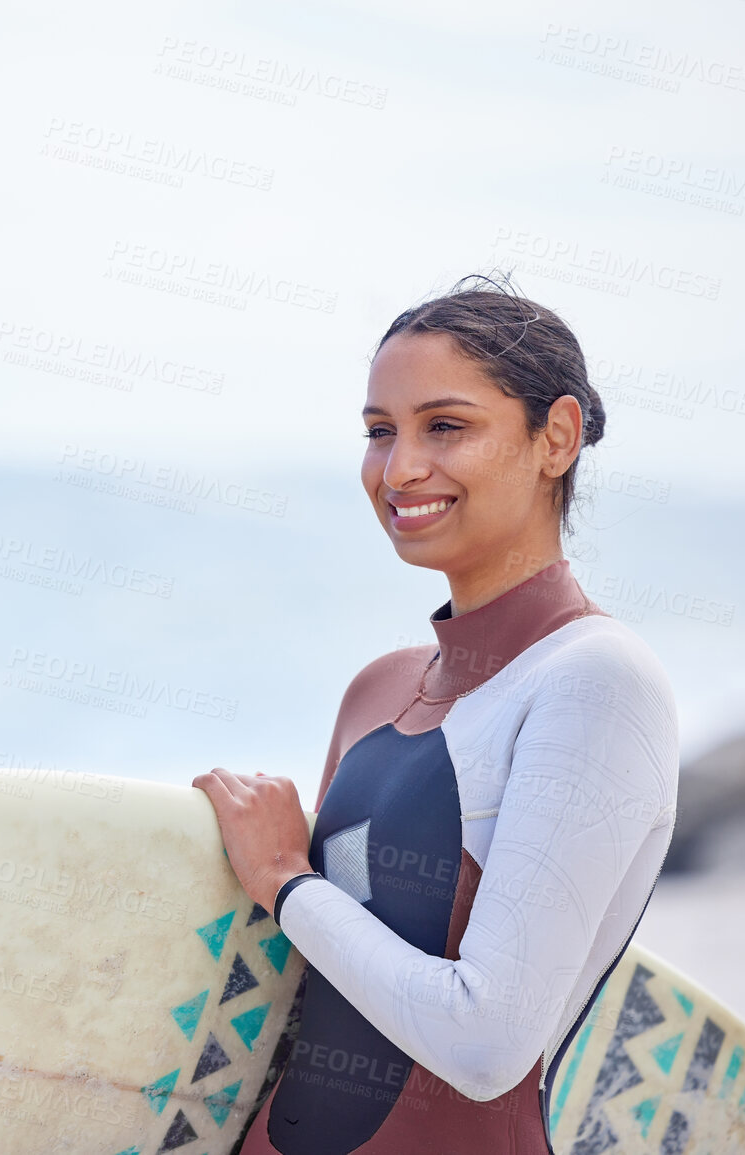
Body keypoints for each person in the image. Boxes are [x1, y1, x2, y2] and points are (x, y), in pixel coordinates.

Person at [194, 279, 678, 1154]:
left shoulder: (597, 681)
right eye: (380, 431)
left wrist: (283, 879)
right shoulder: (376, 690)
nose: (400, 467)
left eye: (444, 427)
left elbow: (486, 1043)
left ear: (555, 437)